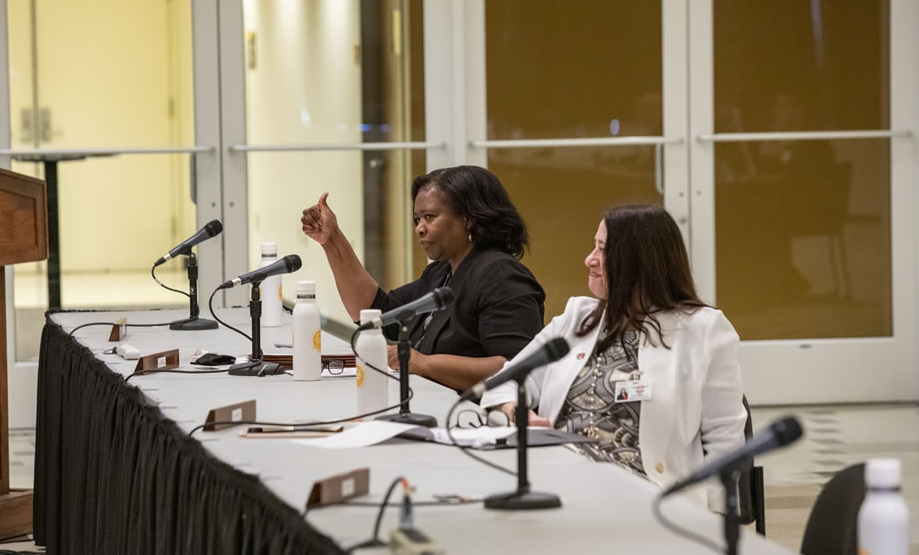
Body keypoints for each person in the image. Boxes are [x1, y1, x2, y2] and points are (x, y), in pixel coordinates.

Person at [481, 204, 747, 509]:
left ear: (639, 262)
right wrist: (520, 414)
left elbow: (725, 440)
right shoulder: (576, 318)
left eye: (602, 250)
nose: (589, 260)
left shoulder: (703, 329)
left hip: (648, 496)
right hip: (558, 484)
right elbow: (501, 385)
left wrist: (709, 520)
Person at [301, 166, 545, 392]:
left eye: (430, 217)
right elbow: (376, 312)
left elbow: (520, 368)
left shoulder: (503, 277)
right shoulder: (441, 272)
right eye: (418, 219)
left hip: (475, 420)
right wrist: (332, 241)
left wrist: (424, 363)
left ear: (469, 218)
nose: (419, 228)